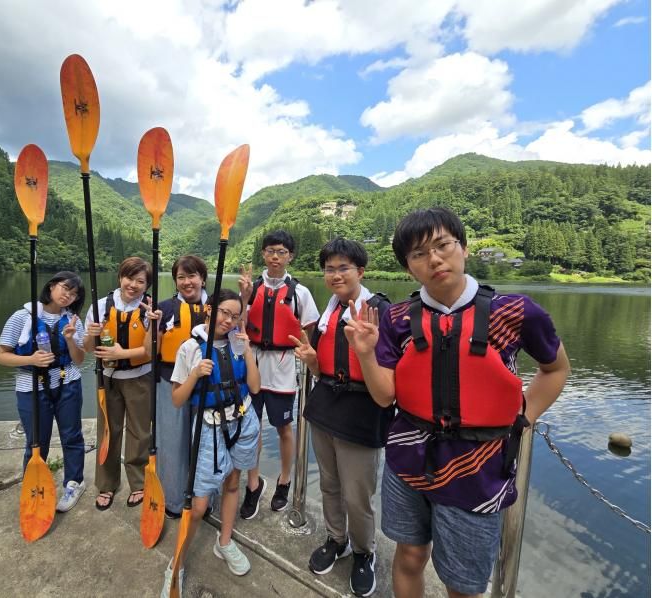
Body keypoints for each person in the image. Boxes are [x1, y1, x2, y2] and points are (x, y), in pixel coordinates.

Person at [345, 207, 570, 598]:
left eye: (442, 245)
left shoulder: (515, 312)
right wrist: (365, 353)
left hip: (479, 469)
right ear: (408, 267)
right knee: (410, 555)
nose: (433, 259)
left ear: (463, 248)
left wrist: (523, 416)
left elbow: (555, 370)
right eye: (418, 254)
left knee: (463, 585)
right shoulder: (397, 318)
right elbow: (385, 395)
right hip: (407, 459)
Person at [290, 238, 394, 597]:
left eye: (343, 268)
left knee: (357, 495)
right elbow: (325, 370)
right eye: (329, 269)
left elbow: (389, 376)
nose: (335, 275)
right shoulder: (328, 314)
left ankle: (365, 552)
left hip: (362, 413)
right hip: (325, 407)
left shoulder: (379, 310)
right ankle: (338, 539)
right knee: (330, 485)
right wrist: (312, 360)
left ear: (360, 271)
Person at [160, 289, 261, 597]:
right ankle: (175, 566)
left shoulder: (238, 343)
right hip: (210, 428)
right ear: (209, 310)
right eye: (224, 313)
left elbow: (255, 387)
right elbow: (177, 399)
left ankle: (225, 542)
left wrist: (247, 353)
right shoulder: (190, 348)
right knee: (200, 504)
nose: (228, 321)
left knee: (233, 484)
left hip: (243, 422)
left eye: (235, 316)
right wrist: (194, 375)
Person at [237, 230, 319, 519]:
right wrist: (245, 299)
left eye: (282, 252)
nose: (275, 256)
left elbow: (310, 334)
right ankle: (253, 483)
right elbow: (238, 327)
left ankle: (284, 480)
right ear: (263, 254)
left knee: (285, 428)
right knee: (251, 427)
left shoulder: (300, 293)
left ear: (290, 256)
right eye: (271, 251)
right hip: (254, 364)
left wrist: (311, 360)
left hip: (283, 369)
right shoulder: (251, 288)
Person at [0, 270, 88, 513]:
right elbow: (1, 356)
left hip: (68, 381)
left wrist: (70, 338)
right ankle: (34, 486)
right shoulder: (22, 317)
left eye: (74, 293)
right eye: (65, 288)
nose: (68, 295)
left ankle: (74, 482)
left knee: (72, 436)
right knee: (37, 441)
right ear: (51, 287)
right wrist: (31, 359)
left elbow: (79, 359)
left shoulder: (72, 320)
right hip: (32, 386)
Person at [84, 256, 158, 510]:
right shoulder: (100, 306)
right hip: (108, 378)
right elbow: (86, 348)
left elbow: (150, 352)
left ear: (147, 285)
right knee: (108, 430)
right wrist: (90, 337)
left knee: (139, 432)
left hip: (140, 377)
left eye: (141, 281)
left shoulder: (150, 309)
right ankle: (106, 484)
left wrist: (121, 354)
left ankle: (138, 483)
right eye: (130, 278)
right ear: (120, 277)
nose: (134, 285)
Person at [156, 255, 208, 519]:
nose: (187, 282)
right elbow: (151, 350)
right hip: (170, 381)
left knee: (206, 442)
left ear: (202, 278)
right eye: (181, 277)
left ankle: (204, 499)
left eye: (192, 276)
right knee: (173, 442)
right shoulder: (163, 309)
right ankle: (174, 500)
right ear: (175, 281)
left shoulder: (217, 307)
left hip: (207, 385)